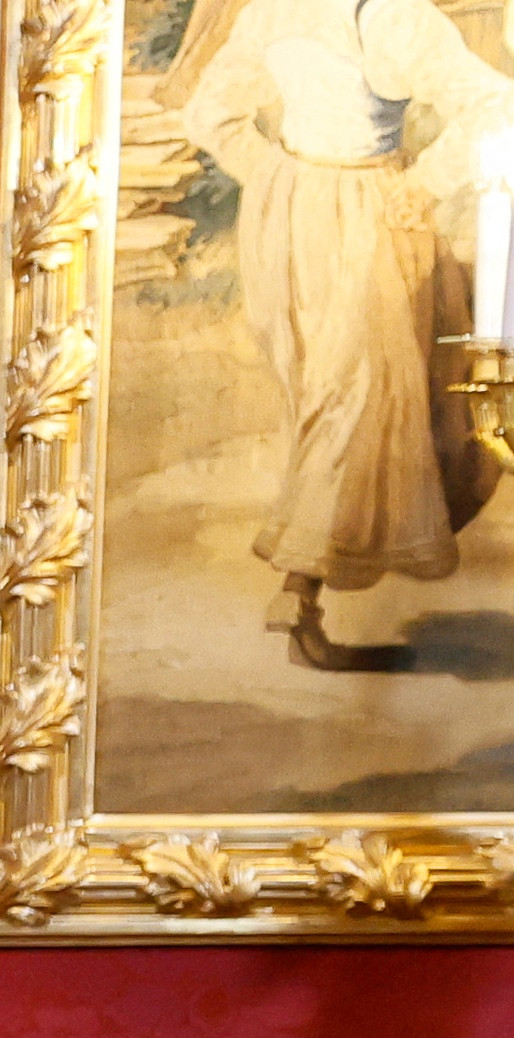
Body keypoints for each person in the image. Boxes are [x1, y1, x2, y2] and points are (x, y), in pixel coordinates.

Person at [170, 0, 514, 666]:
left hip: (289, 212)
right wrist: (421, 183)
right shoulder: (389, 16)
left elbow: (209, 115)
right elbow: (498, 104)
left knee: (336, 399)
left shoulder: (283, 11)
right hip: (362, 214)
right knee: (344, 400)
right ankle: (298, 589)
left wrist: (275, 174)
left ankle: (301, 593)